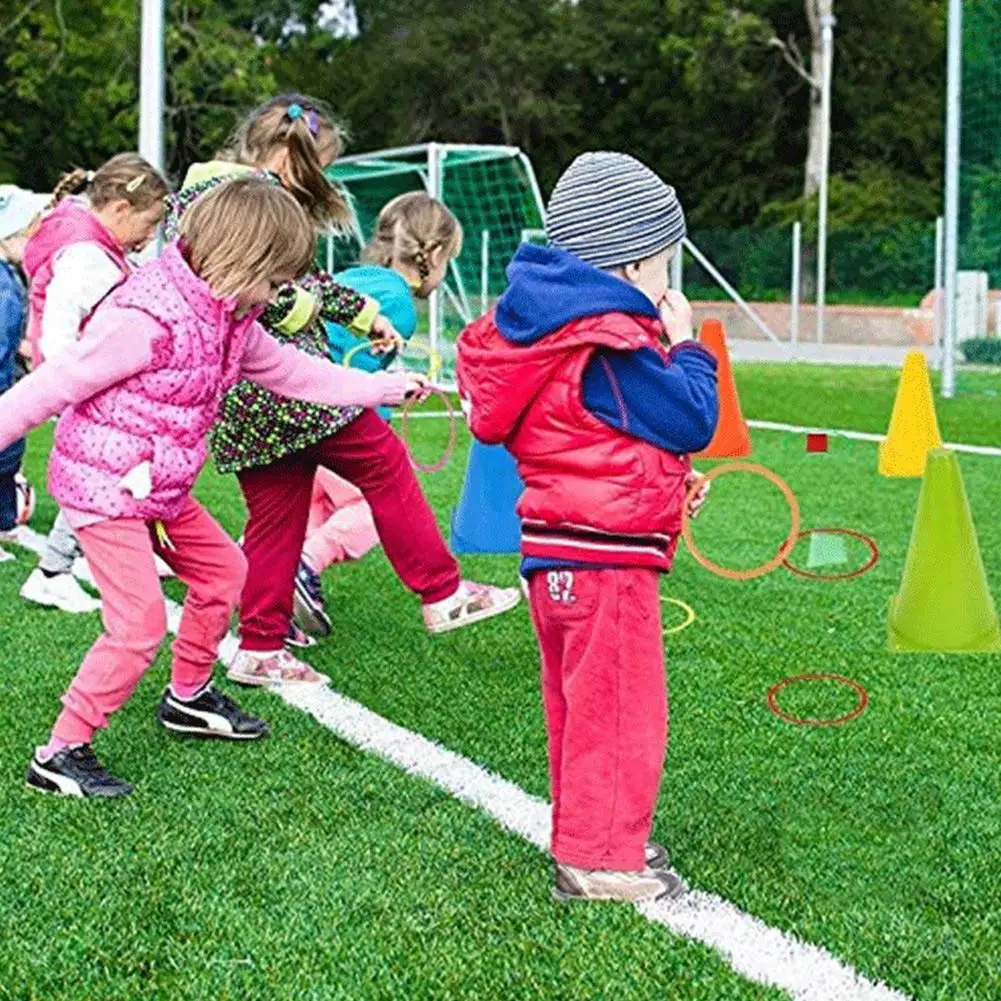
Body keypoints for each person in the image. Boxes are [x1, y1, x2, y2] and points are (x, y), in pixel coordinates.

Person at [0, 178, 427, 799]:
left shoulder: (232, 315)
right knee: (139, 625)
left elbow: (290, 371)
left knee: (227, 573)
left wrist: (382, 389)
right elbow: (48, 388)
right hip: (105, 489)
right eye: (277, 282)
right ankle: (61, 751)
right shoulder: (142, 320)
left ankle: (189, 697)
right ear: (240, 262)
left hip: (159, 487)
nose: (281, 296)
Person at [164, 94, 519, 683]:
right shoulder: (246, 199)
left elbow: (304, 280)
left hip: (244, 401)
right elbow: (265, 292)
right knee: (384, 464)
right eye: (318, 167)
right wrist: (322, 321)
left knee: (276, 517)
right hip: (285, 386)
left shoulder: (208, 192)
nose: (320, 180)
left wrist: (363, 316)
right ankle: (442, 592)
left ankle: (259, 646)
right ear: (286, 156)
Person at [457, 152, 719, 903]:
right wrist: (688, 344)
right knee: (617, 708)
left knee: (581, 706)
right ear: (632, 261)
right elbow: (690, 416)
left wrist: (666, 493)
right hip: (603, 563)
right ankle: (599, 858)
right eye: (664, 263)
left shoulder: (553, 333)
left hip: (562, 551)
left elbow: (594, 439)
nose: (668, 281)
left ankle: (593, 832)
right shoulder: (606, 339)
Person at [291, 192, 462, 639]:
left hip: (289, 407)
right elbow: (351, 372)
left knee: (303, 511)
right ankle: (304, 567)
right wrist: (385, 394)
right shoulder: (400, 305)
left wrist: (391, 389)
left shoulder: (353, 277)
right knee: (371, 506)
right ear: (436, 255)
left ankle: (252, 576)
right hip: (327, 415)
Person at [19, 154, 168, 614]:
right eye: (149, 222)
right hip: (85, 386)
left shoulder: (95, 247)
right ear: (121, 209)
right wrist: (74, 385)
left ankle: (79, 559)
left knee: (112, 471)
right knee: (102, 474)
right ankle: (52, 572)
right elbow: (62, 328)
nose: (149, 237)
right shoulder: (87, 257)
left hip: (89, 383)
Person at [0, 186, 50, 554]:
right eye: (30, 235)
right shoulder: (4, 285)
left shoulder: (10, 278)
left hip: (8, 381)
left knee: (9, 453)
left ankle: (4, 523)